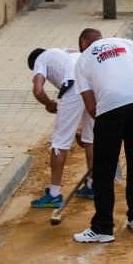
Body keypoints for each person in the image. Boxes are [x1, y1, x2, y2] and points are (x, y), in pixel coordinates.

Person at [72, 29, 133, 243]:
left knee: (103, 171)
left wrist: (102, 126)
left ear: (83, 43)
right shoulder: (121, 41)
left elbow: (91, 107)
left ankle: (102, 227)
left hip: (110, 109)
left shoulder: (82, 60)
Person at [27, 47, 95, 208]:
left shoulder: (40, 60)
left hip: (74, 86)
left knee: (60, 142)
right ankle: (93, 185)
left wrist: (49, 104)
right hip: (95, 83)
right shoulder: (63, 52)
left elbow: (37, 90)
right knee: (91, 137)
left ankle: (54, 194)